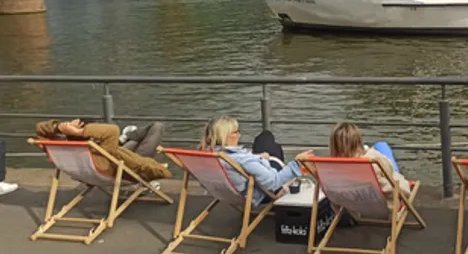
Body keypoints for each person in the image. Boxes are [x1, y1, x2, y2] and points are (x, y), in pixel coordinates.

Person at [201, 115, 309, 206]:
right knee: (272, 145)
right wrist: (297, 163)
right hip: (262, 192)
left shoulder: (205, 155)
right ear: (224, 136)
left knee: (265, 137)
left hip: (224, 192)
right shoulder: (243, 160)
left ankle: (267, 148)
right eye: (236, 132)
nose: (239, 135)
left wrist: (258, 158)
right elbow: (273, 182)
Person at [35, 119, 172, 183]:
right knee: (157, 126)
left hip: (101, 163)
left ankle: (125, 138)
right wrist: (80, 131)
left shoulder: (71, 150)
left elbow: (39, 128)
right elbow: (112, 130)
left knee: (131, 142)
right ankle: (126, 138)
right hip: (125, 167)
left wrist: (59, 128)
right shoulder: (101, 153)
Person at [328, 122, 410, 202]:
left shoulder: (331, 168)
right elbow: (390, 170)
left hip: (353, 206)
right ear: (357, 140)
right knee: (382, 145)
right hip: (384, 205)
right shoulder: (373, 161)